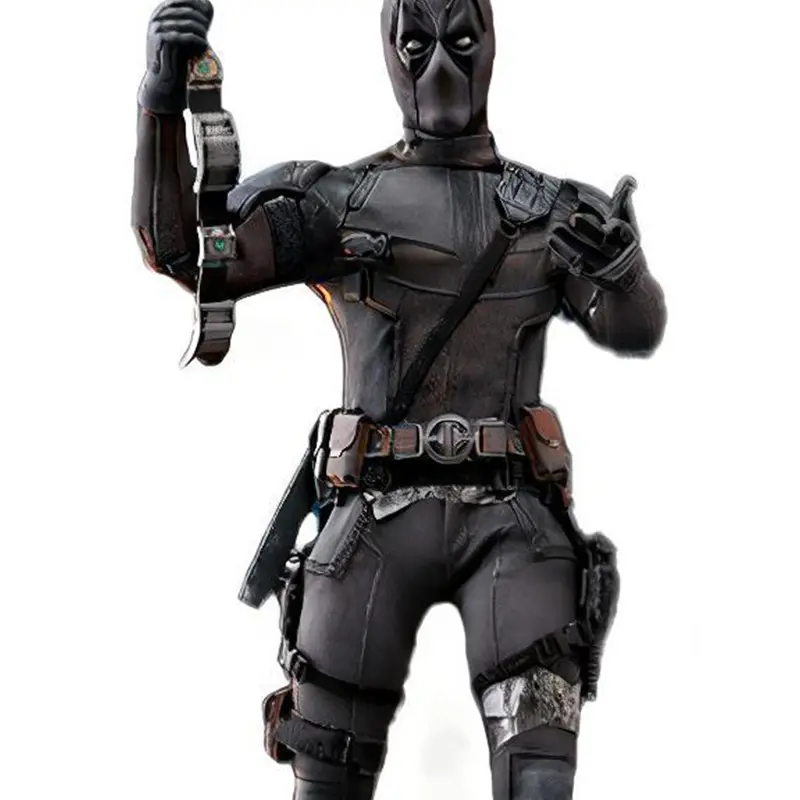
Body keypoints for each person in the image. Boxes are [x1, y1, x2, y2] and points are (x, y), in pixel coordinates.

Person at [131, 1, 667, 797]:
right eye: (416, 43)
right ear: (389, 51)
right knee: (325, 772)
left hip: (514, 525)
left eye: (461, 39)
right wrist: (160, 102)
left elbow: (635, 326)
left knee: (539, 778)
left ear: (491, 47)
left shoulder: (558, 212)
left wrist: (622, 272)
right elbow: (186, 251)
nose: (441, 66)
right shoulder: (337, 200)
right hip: (370, 523)